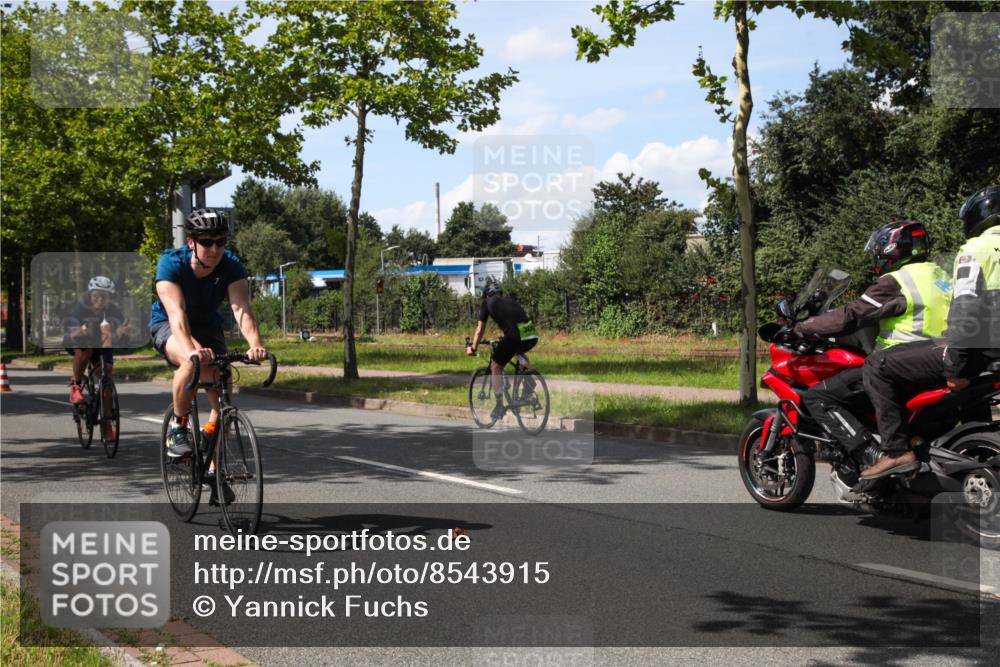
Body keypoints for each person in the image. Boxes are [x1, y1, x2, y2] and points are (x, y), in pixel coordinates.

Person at [861, 186, 1000, 480]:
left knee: (876, 365)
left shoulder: (975, 251)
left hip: (978, 352)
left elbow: (966, 309)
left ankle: (895, 452)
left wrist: (956, 366)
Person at [795, 221, 952, 480]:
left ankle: (873, 454)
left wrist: (805, 326)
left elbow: (851, 316)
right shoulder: (942, 276)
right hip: (940, 362)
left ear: (890, 250)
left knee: (818, 397)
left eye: (879, 252)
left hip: (900, 368)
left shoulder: (895, 282)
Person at [149, 208, 266, 503]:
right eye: (206, 241)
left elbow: (241, 308)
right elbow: (176, 314)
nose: (214, 248)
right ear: (192, 242)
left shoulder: (231, 265)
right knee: (191, 362)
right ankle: (178, 426)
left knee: (223, 399)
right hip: (168, 324)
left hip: (209, 328)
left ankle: (212, 465)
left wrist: (255, 344)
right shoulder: (170, 263)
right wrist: (191, 351)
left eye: (220, 241)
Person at [65, 276, 133, 441]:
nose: (101, 299)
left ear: (109, 297)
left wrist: (124, 334)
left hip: (102, 343)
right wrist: (80, 331)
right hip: (81, 342)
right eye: (97, 295)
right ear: (90, 295)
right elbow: (73, 333)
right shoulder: (82, 308)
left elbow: (123, 333)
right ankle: (76, 385)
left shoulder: (113, 310)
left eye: (105, 296)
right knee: (85, 351)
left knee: (107, 374)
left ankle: (107, 424)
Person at [466, 277, 539, 420]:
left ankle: (499, 405)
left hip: (514, 336)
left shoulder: (487, 302)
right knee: (519, 351)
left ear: (487, 294)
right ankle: (529, 380)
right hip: (531, 334)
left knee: (495, 367)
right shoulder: (511, 300)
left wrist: (473, 347)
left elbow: (480, 329)